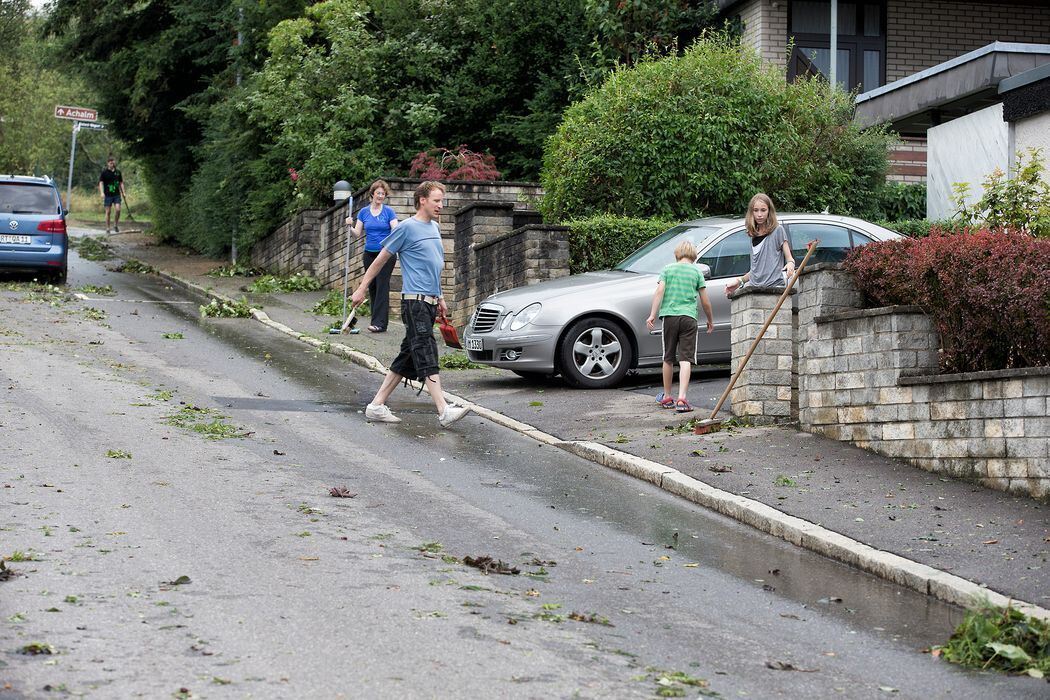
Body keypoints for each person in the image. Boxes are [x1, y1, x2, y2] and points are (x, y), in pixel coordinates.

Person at [351, 181, 470, 428]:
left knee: (408, 356)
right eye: (436, 200)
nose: (441, 205)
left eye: (442, 200)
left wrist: (440, 298)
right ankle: (443, 409)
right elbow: (380, 260)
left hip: (428, 302)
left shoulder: (435, 228)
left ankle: (376, 405)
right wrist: (362, 288)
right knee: (426, 349)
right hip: (414, 302)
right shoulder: (406, 228)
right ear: (422, 200)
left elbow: (434, 266)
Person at [646, 239, 715, 413]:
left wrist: (652, 315)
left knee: (668, 357)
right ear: (693, 256)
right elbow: (705, 301)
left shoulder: (667, 269)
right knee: (685, 358)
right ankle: (682, 399)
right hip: (688, 318)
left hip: (669, 317)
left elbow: (659, 291)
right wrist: (710, 319)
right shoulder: (696, 272)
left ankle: (667, 396)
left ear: (677, 254)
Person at [347, 180, 399, 332]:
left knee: (383, 285)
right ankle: (375, 320)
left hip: (386, 254)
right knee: (372, 286)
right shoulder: (363, 212)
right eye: (378, 193)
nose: (381, 196)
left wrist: (390, 241)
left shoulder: (388, 212)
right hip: (369, 254)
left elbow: (396, 229)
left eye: (383, 194)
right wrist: (349, 225)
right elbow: (357, 233)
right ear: (372, 194)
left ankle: (380, 324)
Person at [725, 192, 795, 296]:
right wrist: (739, 281)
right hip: (754, 291)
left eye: (763, 210)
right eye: (756, 210)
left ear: (769, 211)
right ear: (751, 212)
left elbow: (790, 259)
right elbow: (756, 271)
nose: (759, 214)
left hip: (774, 289)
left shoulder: (778, 230)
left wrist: (790, 264)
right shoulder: (753, 235)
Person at [98, 157, 127, 234]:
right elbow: (101, 183)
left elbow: (121, 183)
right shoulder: (104, 172)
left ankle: (115, 225)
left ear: (114, 163)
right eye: (110, 162)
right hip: (107, 195)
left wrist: (124, 192)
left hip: (116, 194)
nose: (111, 163)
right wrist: (102, 192)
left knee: (118, 210)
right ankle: (108, 228)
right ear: (108, 163)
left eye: (112, 161)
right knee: (108, 212)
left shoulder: (118, 172)